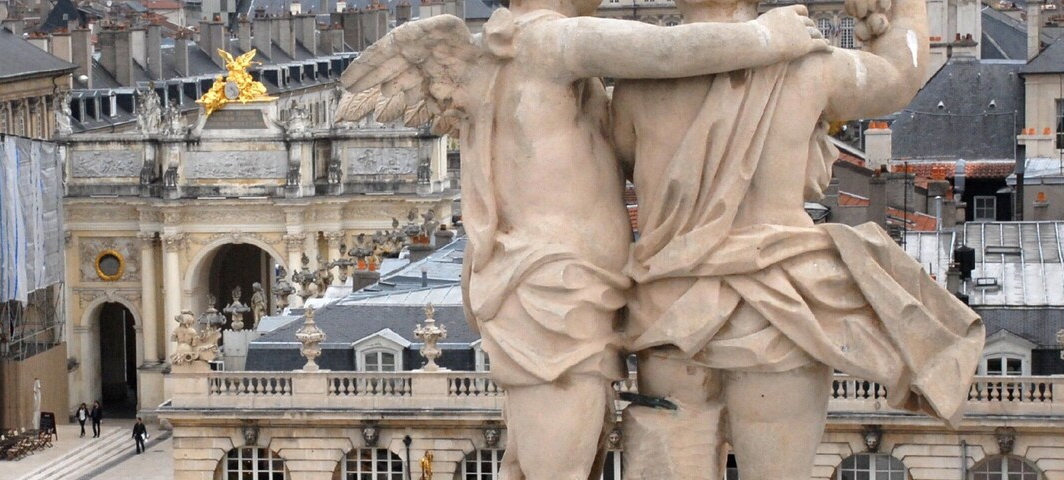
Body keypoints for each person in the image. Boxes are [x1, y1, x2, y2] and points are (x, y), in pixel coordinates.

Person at [337, 0, 827, 477]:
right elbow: (666, 51)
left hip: (569, 291)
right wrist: (767, 38)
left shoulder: (517, 48)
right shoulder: (549, 38)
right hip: (556, 294)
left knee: (563, 457)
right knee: (561, 463)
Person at [607, 0, 985, 475]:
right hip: (776, 310)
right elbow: (900, 74)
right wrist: (900, 8)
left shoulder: (635, 86)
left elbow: (624, 164)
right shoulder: (809, 68)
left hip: (671, 309)